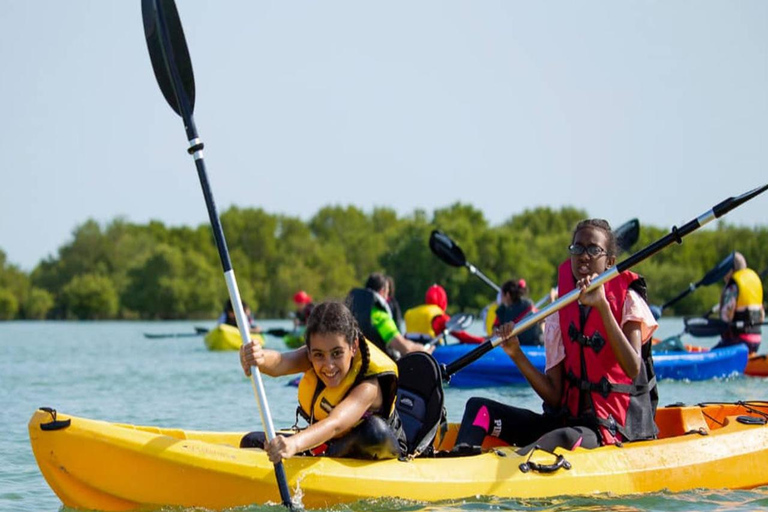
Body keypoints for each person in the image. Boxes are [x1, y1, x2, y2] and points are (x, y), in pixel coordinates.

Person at [452, 219, 658, 454]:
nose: (584, 256)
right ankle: (459, 463)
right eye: (577, 248)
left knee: (562, 436)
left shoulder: (629, 300)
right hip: (564, 422)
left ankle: (513, 466)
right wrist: (516, 354)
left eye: (594, 250)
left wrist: (602, 306)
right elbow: (554, 396)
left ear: (610, 262)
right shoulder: (559, 310)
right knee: (478, 408)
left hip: (611, 430)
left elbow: (632, 368)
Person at [239, 301, 407, 461]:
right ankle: (318, 454)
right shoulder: (313, 354)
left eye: (337, 353)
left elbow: (335, 423)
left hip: (375, 447)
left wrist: (294, 444)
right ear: (310, 352)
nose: (329, 365)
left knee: (374, 431)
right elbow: (280, 362)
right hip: (333, 445)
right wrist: (258, 358)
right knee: (251, 441)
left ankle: (316, 456)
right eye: (319, 355)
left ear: (353, 346)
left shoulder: (369, 387)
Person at [346, 272, 434, 359]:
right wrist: (423, 350)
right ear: (382, 291)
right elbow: (405, 347)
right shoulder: (379, 315)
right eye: (387, 292)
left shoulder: (350, 312)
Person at [712, 252, 764, 354]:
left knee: (715, 351)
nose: (724, 275)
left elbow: (726, 318)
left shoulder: (733, 287)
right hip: (756, 341)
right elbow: (761, 316)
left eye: (726, 270)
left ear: (731, 270)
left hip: (737, 341)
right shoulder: (754, 281)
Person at [404, 284, 484, 344]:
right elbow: (462, 336)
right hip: (431, 352)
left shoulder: (410, 312)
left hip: (411, 350)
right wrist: (483, 341)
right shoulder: (439, 317)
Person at [492, 279, 543, 346]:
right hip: (535, 345)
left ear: (507, 295)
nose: (500, 297)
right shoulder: (528, 305)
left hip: (530, 345)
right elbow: (542, 320)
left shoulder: (502, 311)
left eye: (502, 295)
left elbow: (495, 331)